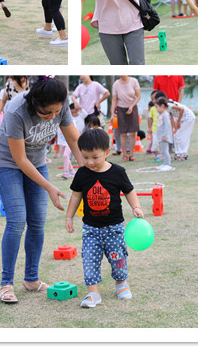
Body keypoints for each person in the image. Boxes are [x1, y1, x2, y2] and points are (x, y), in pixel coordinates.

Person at [0, 77, 84, 304]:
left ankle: (31, 279)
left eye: (56, 112)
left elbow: (73, 139)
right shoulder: (16, 110)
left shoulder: (60, 104)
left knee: (38, 221)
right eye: (46, 113)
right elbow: (20, 159)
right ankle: (6, 283)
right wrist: (49, 186)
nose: (52, 117)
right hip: (8, 162)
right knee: (17, 220)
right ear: (34, 103)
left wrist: (87, 170)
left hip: (37, 160)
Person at [65, 128, 144, 308]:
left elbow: (129, 191)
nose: (89, 162)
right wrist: (69, 217)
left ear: (107, 152)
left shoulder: (118, 172)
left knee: (118, 258)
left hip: (114, 228)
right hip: (90, 229)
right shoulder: (82, 173)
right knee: (89, 260)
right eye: (85, 157)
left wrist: (136, 207)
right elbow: (76, 195)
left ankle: (121, 283)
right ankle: (93, 293)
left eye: (95, 157)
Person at [110, 76, 141, 162]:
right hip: (121, 109)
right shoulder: (116, 84)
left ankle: (131, 154)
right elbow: (114, 100)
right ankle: (125, 155)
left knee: (133, 132)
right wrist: (112, 114)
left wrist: (132, 106)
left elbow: (138, 96)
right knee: (122, 133)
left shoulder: (134, 81)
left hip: (132, 108)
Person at [153, 97, 174, 171]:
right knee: (163, 151)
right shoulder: (162, 114)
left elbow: (167, 126)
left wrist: (165, 135)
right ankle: (165, 163)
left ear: (162, 106)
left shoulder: (165, 115)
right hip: (161, 137)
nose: (156, 109)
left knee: (165, 151)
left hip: (164, 137)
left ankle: (168, 164)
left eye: (157, 107)